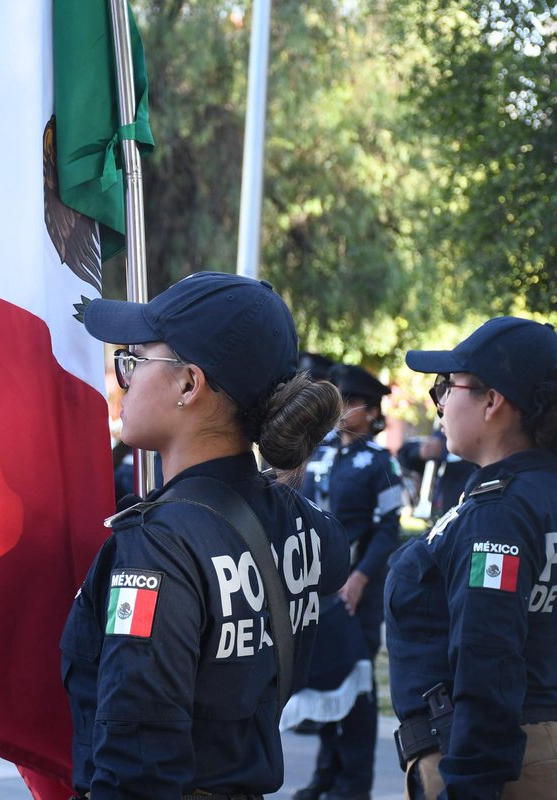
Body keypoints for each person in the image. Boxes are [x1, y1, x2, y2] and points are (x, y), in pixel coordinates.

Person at [60, 271, 350, 799]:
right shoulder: (298, 518)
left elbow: (139, 762)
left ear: (189, 385)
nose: (123, 378)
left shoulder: (160, 543)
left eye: (134, 359)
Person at [386, 316, 557, 800]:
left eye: (448, 385)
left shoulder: (501, 513)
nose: (440, 401)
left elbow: (488, 662)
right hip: (534, 746)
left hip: (497, 770)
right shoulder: (549, 487)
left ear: (493, 400)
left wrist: (464, 789)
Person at [294, 364, 403, 800]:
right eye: (341, 399)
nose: (344, 409)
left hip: (360, 591)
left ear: (372, 411)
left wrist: (359, 577)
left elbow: (389, 528)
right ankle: (327, 772)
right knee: (327, 679)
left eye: (353, 402)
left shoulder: (380, 462)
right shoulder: (320, 454)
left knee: (357, 688)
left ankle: (354, 782)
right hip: (321, 592)